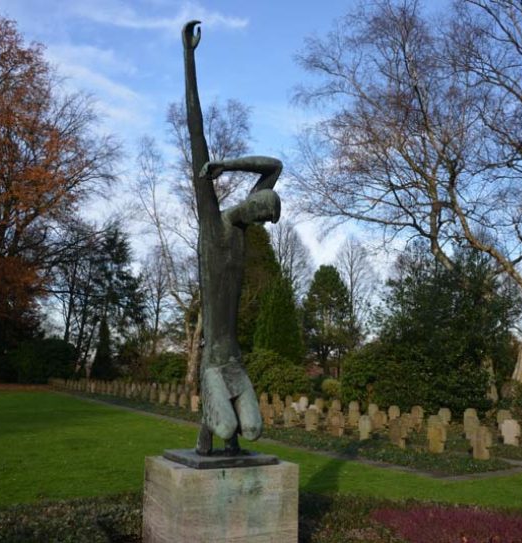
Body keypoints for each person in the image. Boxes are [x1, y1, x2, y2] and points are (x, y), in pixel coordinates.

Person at [183, 20, 282, 455]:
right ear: (256, 205)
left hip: (235, 361)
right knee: (226, 429)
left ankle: (216, 436)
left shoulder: (244, 228)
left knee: (253, 432)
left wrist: (234, 164)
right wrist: (189, 57)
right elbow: (196, 129)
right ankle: (213, 429)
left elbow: (272, 165)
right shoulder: (214, 224)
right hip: (212, 362)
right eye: (262, 212)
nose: (260, 221)